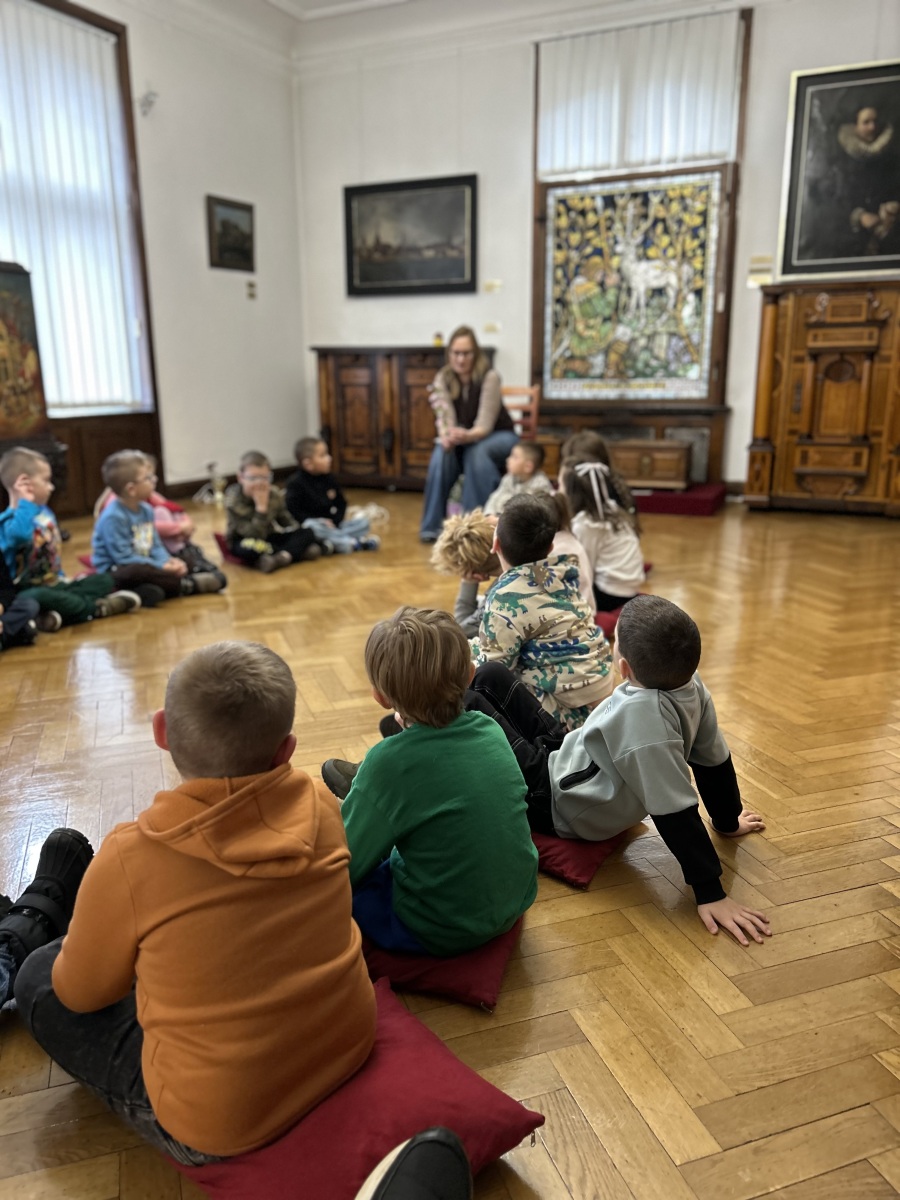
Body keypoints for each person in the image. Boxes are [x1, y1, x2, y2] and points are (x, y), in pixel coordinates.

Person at [14, 641, 377, 1163]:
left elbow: (80, 994)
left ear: (161, 731)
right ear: (286, 750)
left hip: (219, 1121)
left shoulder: (130, 857)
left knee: (38, 975)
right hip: (346, 1045)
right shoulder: (320, 803)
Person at [467, 595, 771, 947]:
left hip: (556, 801)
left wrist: (710, 892)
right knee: (489, 674)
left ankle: (432, 738)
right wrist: (727, 821)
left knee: (470, 703)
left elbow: (675, 810)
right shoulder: (692, 684)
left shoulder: (646, 725)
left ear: (623, 667)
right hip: (570, 757)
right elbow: (713, 760)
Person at [323, 606, 538, 956]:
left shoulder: (388, 761)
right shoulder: (491, 729)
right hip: (515, 900)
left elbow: (346, 868)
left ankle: (371, 805)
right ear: (470, 675)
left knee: (347, 887)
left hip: (441, 926)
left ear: (380, 696)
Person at [473, 493, 613, 729]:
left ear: (495, 543)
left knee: (475, 683)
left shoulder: (505, 596)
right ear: (550, 547)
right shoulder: (563, 571)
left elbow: (493, 670)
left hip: (568, 715)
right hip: (600, 694)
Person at [0, 446, 142, 630]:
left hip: (55, 583)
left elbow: (52, 553)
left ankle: (52, 615)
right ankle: (96, 608)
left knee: (104, 580)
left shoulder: (44, 512)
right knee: (37, 598)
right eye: (46, 480)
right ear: (24, 482)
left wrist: (61, 578)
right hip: (26, 592)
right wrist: (24, 501)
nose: (51, 487)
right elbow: (20, 534)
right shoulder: (7, 522)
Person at [419, 326, 517, 543]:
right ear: (449, 354)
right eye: (456, 353)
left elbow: (484, 425)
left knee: (476, 452)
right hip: (466, 439)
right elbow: (445, 418)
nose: (461, 359)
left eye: (466, 353)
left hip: (500, 436)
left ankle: (474, 528)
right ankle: (431, 527)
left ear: (476, 354)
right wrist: (447, 436)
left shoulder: (490, 377)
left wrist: (466, 436)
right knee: (441, 452)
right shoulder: (443, 378)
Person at [92, 451, 222, 605]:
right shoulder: (113, 518)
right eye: (148, 478)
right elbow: (123, 558)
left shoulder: (146, 510)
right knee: (137, 571)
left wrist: (168, 561)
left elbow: (155, 545)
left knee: (183, 560)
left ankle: (150, 590)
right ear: (131, 489)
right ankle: (187, 585)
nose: (154, 480)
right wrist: (161, 566)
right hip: (118, 569)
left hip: (147, 561)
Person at [561, 448, 644, 613]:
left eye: (561, 484)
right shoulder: (612, 509)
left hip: (611, 594)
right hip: (628, 587)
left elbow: (585, 569)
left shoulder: (588, 524)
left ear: (572, 492)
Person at [224, 450, 323, 572]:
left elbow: (286, 522)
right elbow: (253, 534)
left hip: (269, 537)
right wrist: (261, 508)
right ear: (241, 477)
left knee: (308, 532)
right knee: (249, 549)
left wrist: (299, 533)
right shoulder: (233, 500)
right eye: (253, 478)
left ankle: (281, 557)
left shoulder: (274, 494)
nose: (259, 484)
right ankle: (294, 552)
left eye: (264, 478)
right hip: (245, 540)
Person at [285, 437, 380, 552]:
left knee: (363, 523)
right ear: (308, 463)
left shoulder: (329, 478)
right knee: (312, 527)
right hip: (313, 526)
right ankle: (352, 543)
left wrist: (335, 521)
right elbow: (294, 512)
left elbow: (341, 503)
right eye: (323, 455)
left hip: (332, 526)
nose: (329, 458)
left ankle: (335, 542)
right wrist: (320, 521)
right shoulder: (295, 483)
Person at [482, 441, 553, 516]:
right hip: (501, 518)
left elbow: (528, 513)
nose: (508, 460)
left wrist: (500, 519)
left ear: (528, 467)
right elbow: (495, 497)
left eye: (514, 457)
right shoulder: (508, 478)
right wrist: (489, 514)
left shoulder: (540, 485)